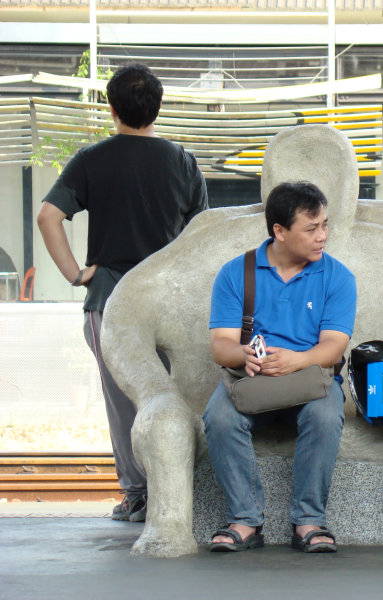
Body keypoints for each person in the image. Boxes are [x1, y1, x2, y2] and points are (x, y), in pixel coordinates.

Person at [37, 63, 208, 523]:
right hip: (171, 304)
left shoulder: (92, 159)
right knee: (173, 399)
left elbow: (48, 216)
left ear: (111, 109)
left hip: (110, 300)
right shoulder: (182, 161)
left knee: (123, 403)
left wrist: (77, 274)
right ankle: (180, 494)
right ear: (158, 107)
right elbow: (200, 238)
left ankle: (138, 496)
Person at [203, 181, 356, 553]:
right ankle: (245, 520)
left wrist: (297, 360)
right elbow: (220, 346)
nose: (322, 236)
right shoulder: (236, 272)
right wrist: (245, 356)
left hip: (311, 381)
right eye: (311, 228)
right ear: (279, 232)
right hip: (253, 381)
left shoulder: (337, 276)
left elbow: (335, 346)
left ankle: (308, 521)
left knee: (324, 416)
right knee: (218, 418)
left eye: (324, 225)